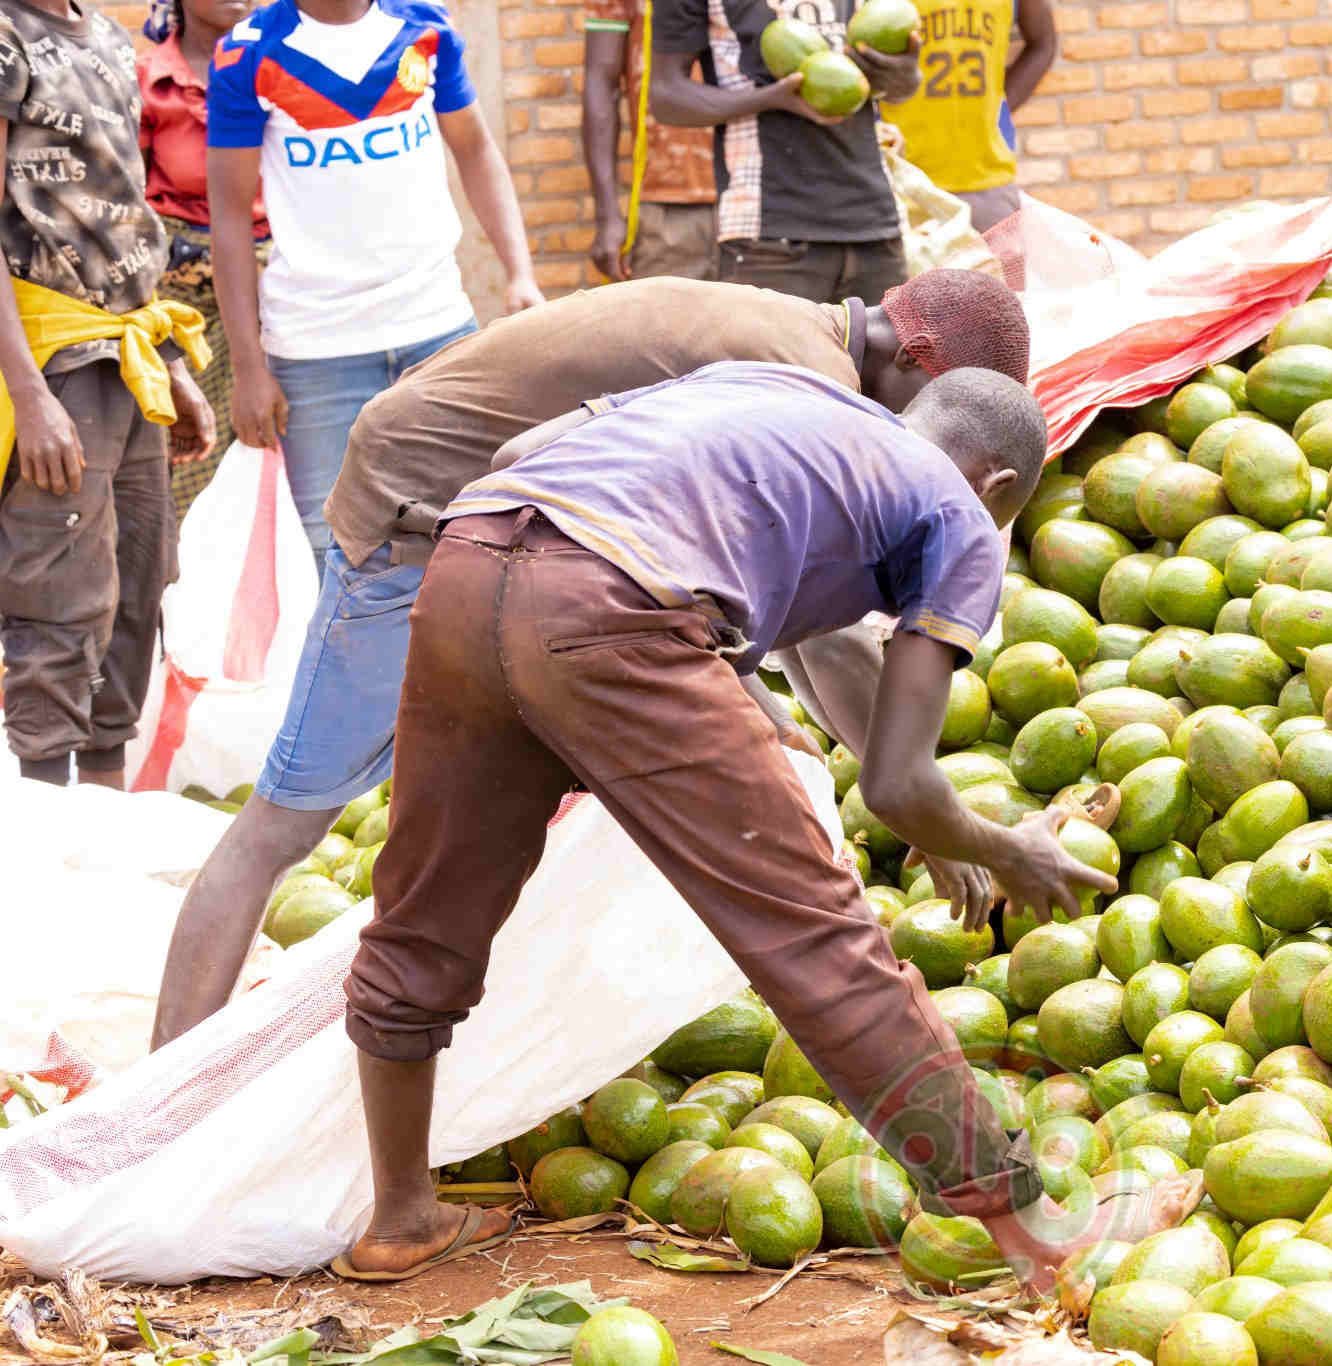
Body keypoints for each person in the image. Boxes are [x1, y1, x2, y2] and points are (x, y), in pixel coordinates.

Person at [328, 361, 1200, 1287]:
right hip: (619, 611)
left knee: (425, 907)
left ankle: (399, 1218)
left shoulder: (787, 393)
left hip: (471, 557)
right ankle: (1037, 1227)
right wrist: (1001, 845)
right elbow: (900, 789)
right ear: (997, 488)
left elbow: (531, 455)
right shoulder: (958, 515)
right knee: (820, 942)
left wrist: (724, 670)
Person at [151, 268, 1032, 1048]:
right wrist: (921, 804)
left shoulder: (804, 338)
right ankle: (152, 1113)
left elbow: (793, 604)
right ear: (919, 366)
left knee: (527, 825)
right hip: (421, 520)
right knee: (287, 824)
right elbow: (825, 634)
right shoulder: (810, 380)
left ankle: (518, 1045)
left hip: (516, 541)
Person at [206, 0, 544, 565]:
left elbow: (476, 149)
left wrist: (520, 273)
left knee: (462, 537)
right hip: (315, 354)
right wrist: (247, 368)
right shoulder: (247, 53)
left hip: (438, 332)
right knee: (335, 554)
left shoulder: (426, 29)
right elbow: (229, 214)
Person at [0, 0, 215, 788]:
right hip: (53, 359)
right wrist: (30, 398)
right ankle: (45, 831)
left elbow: (125, 217)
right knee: (58, 603)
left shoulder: (105, 36)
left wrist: (171, 364)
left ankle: (102, 815)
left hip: (128, 357)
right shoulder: (7, 36)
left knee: (135, 588)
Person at [649, 0, 920, 304]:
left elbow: (897, 86)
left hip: (876, 229)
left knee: (884, 352)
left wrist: (905, 75)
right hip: (769, 239)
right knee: (770, 354)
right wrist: (770, 99)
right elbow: (666, 94)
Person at [138, 0, 269, 518]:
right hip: (183, 308)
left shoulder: (281, 68)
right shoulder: (147, 82)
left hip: (280, 294)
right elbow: (128, 210)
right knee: (192, 470)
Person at [882, 0, 1056, 233]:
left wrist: (1001, 107)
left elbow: (1043, 42)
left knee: (996, 270)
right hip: (901, 187)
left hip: (987, 186)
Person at [582, 0, 717, 281]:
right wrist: (607, 216)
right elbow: (601, 81)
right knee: (666, 324)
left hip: (768, 200)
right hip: (666, 211)